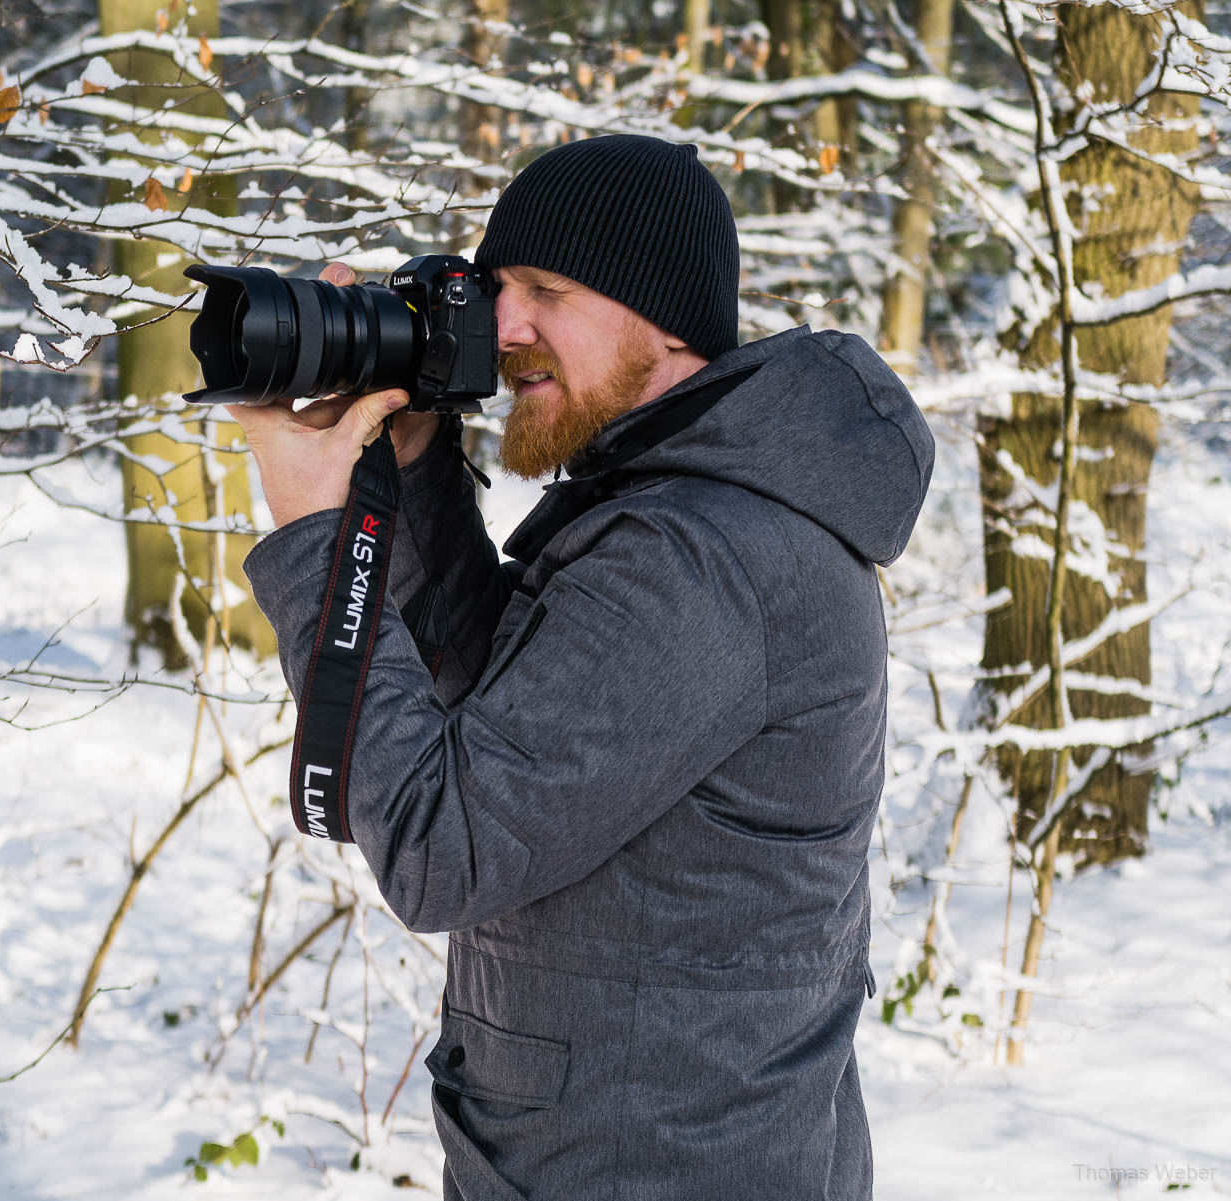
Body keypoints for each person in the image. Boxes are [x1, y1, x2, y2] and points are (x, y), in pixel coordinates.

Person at [227, 134, 933, 1201]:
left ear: (667, 321)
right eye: (498, 288)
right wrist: (414, 463)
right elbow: (504, 724)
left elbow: (442, 847)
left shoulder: (702, 559)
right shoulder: (680, 509)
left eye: (548, 290)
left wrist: (315, 534)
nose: (506, 328)